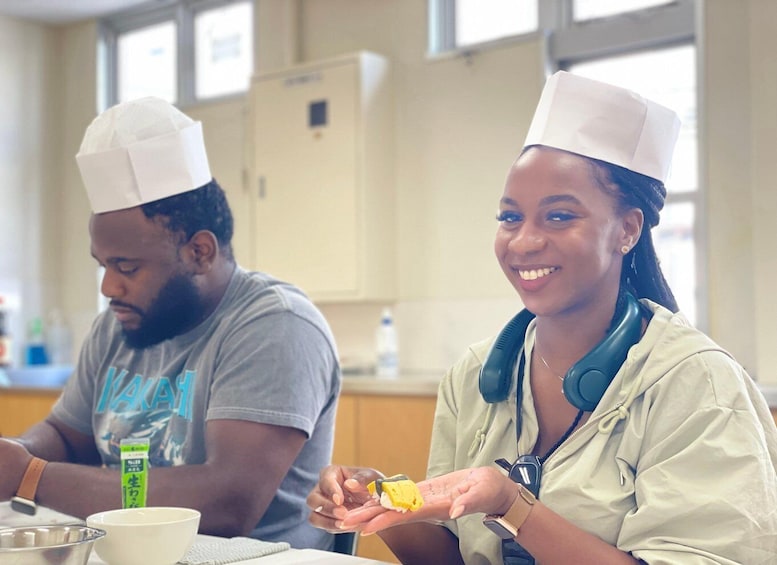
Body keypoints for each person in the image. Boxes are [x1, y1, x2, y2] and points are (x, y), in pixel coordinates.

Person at [307, 71, 777, 564]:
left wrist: (513, 506)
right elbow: (452, 558)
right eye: (510, 217)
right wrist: (379, 507)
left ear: (628, 229)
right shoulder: (474, 376)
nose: (524, 240)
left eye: (558, 216)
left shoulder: (698, 385)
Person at [0, 97, 341, 550]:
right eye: (102, 265)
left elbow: (226, 504)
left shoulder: (276, 326)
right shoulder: (118, 327)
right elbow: (67, 436)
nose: (108, 288)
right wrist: (13, 454)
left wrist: (30, 476)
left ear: (199, 252)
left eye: (126, 266)